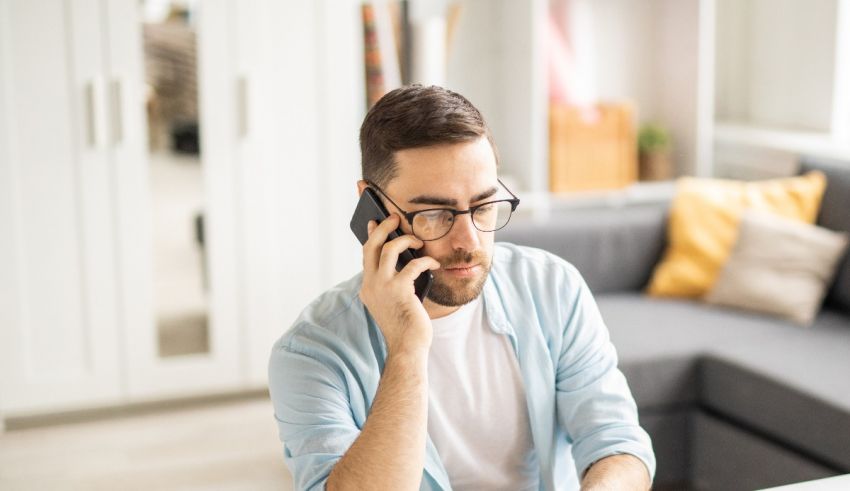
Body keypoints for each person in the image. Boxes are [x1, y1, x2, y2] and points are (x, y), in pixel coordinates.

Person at [268, 84, 655, 490]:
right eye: (435, 214)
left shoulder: (553, 289)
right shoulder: (310, 354)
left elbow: (618, 445)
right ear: (372, 207)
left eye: (484, 206)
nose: (469, 242)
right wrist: (406, 351)